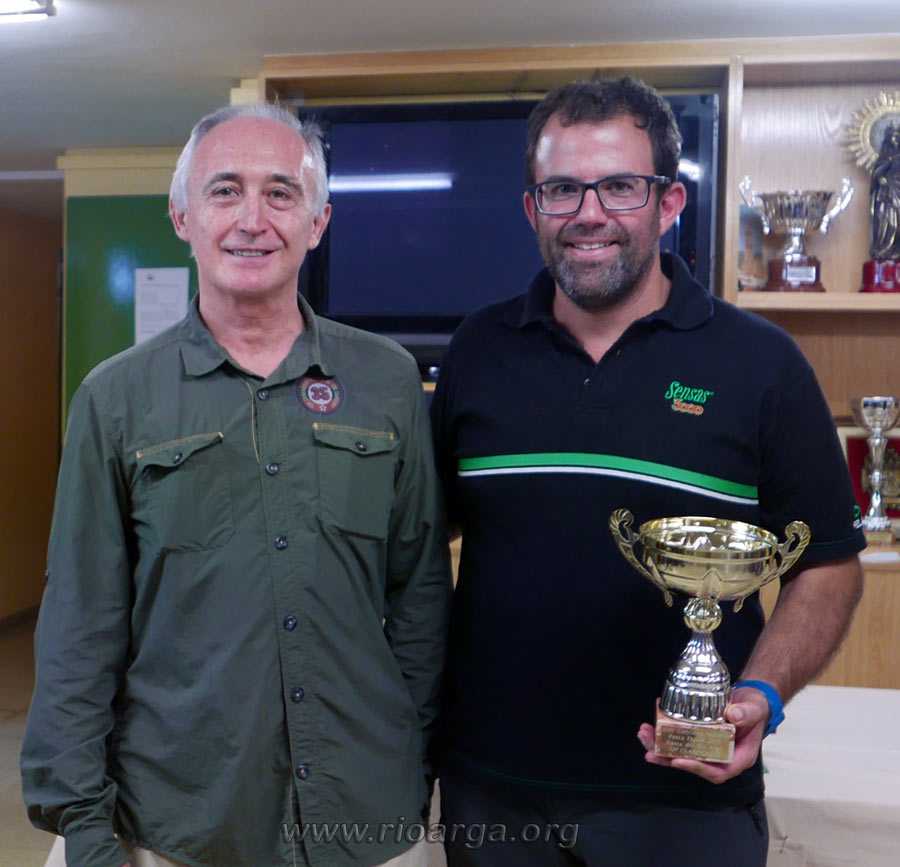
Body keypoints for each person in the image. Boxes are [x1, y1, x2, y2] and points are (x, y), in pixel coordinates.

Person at [430, 77, 864, 867]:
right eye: (562, 188)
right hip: (491, 794)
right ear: (532, 208)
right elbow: (423, 538)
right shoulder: (476, 351)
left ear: (669, 204)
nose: (588, 212)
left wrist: (761, 694)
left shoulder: (763, 364)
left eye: (620, 186)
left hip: (683, 801)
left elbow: (828, 564)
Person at [21, 102, 452, 867]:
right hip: (175, 824)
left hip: (367, 816)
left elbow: (420, 598)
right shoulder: (115, 399)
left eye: (281, 193)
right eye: (225, 190)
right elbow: (78, 628)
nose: (253, 219)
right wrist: (84, 828)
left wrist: (408, 767)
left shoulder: (386, 381)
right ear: (182, 216)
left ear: (317, 222)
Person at [870, 120, 900, 260]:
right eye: (892, 138)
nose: (895, 141)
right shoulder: (884, 159)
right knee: (888, 223)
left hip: (897, 193)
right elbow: (876, 174)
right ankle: (884, 247)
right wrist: (882, 179)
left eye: (897, 138)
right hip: (886, 197)